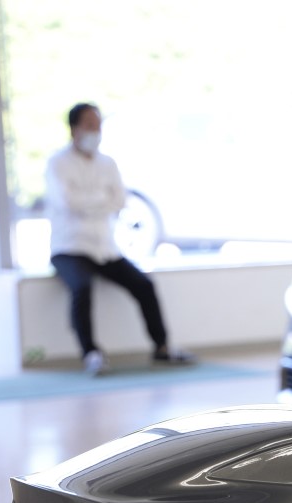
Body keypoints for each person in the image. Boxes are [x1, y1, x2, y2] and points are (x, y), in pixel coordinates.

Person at [46, 102, 192, 376]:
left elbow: (119, 201)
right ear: (74, 129)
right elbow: (67, 202)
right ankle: (91, 353)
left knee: (144, 285)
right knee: (81, 288)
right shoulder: (57, 163)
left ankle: (162, 347)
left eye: (98, 125)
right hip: (70, 247)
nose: (95, 131)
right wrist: (101, 200)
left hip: (105, 248)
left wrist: (89, 202)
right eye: (90, 125)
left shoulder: (107, 163)